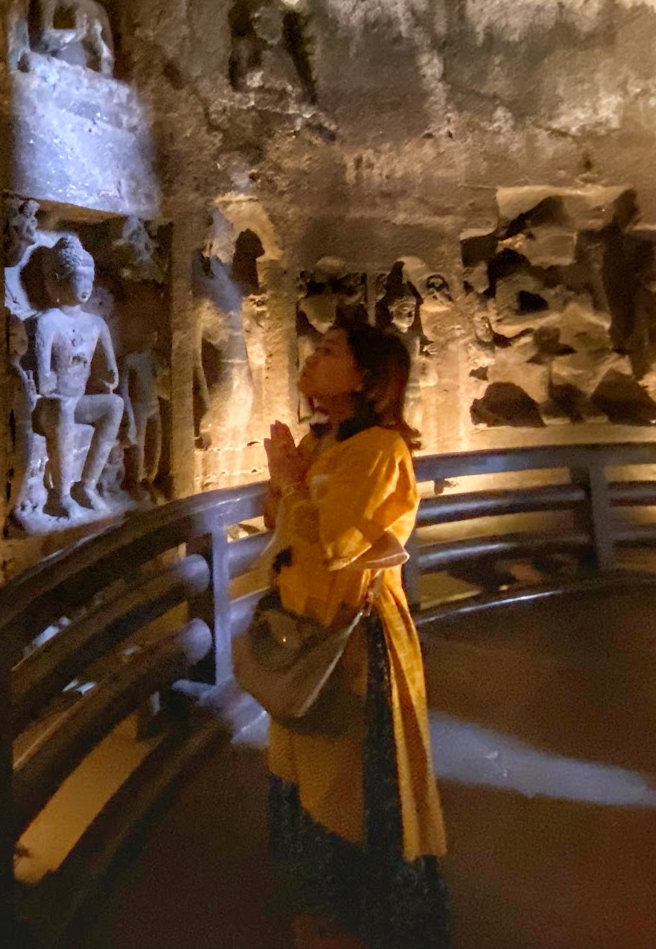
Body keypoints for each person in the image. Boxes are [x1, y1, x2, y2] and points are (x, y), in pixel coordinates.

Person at [262, 320, 450, 949]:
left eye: (331, 352)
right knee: (304, 772)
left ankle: (357, 922)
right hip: (305, 629)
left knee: (346, 786)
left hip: (353, 639)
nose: (313, 360)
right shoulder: (326, 444)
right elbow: (282, 521)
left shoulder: (379, 451)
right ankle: (319, 910)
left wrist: (292, 484)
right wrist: (287, 477)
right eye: (315, 350)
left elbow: (341, 542)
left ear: (367, 378)